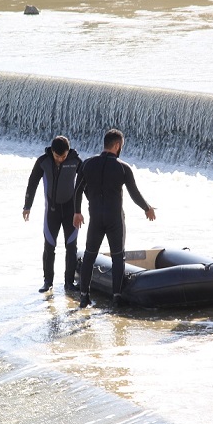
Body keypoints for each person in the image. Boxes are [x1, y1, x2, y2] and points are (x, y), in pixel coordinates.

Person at [73, 128, 156, 308]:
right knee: (118, 257)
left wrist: (77, 212)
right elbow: (134, 193)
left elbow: (77, 190)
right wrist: (147, 208)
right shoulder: (122, 167)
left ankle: (84, 296)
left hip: (95, 218)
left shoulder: (87, 164)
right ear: (117, 145)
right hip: (114, 220)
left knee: (89, 256)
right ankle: (117, 297)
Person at [23, 136, 83, 294]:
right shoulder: (43, 161)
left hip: (71, 212)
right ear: (52, 152)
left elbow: (85, 184)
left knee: (71, 247)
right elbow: (32, 182)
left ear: (67, 152)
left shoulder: (76, 161)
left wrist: (89, 206)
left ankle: (69, 283)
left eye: (63, 157)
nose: (60, 160)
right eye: (57, 157)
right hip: (52, 212)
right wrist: (27, 206)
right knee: (49, 246)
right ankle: (47, 282)